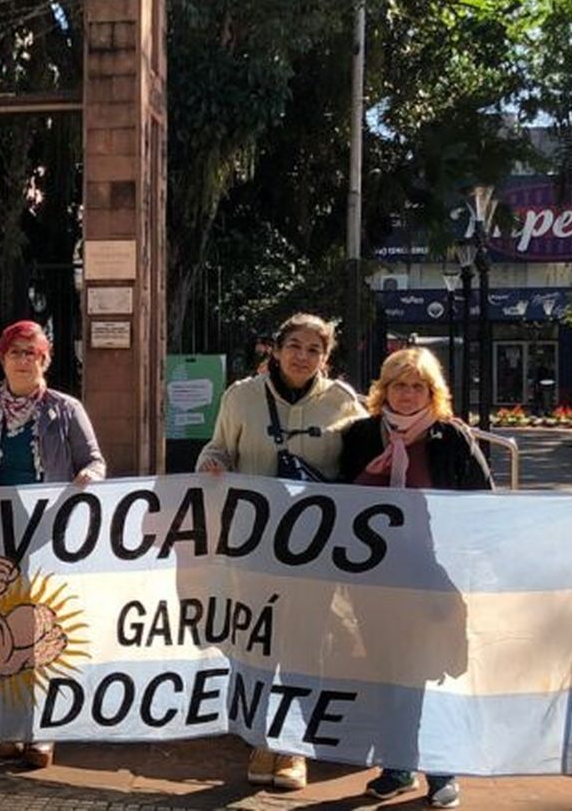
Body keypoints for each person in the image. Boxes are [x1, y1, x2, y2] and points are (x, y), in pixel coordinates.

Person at [196, 312, 368, 791]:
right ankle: (258, 734)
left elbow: (361, 468)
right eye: (294, 345)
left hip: (313, 548)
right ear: (275, 348)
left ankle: (291, 744)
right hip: (253, 544)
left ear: (325, 358)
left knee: (305, 641)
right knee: (256, 639)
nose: (302, 356)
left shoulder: (343, 403)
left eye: (314, 350)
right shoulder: (240, 396)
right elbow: (219, 451)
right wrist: (211, 463)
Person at [338, 346, 489, 810]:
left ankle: (442, 770)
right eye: (399, 385)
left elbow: (482, 501)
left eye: (417, 386)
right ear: (384, 390)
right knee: (390, 672)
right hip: (376, 580)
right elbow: (337, 503)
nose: (407, 394)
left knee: (433, 671)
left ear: (432, 391)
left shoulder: (452, 437)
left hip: (435, 579)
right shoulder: (361, 436)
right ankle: (398, 765)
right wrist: (367, 475)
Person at [0, 320, 105, 769]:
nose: (23, 360)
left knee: (40, 629)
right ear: (2, 358)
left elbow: (94, 459)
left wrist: (89, 477)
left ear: (45, 360)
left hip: (47, 533)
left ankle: (43, 731)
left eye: (31, 353)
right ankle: (7, 726)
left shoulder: (65, 408)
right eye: (15, 352)